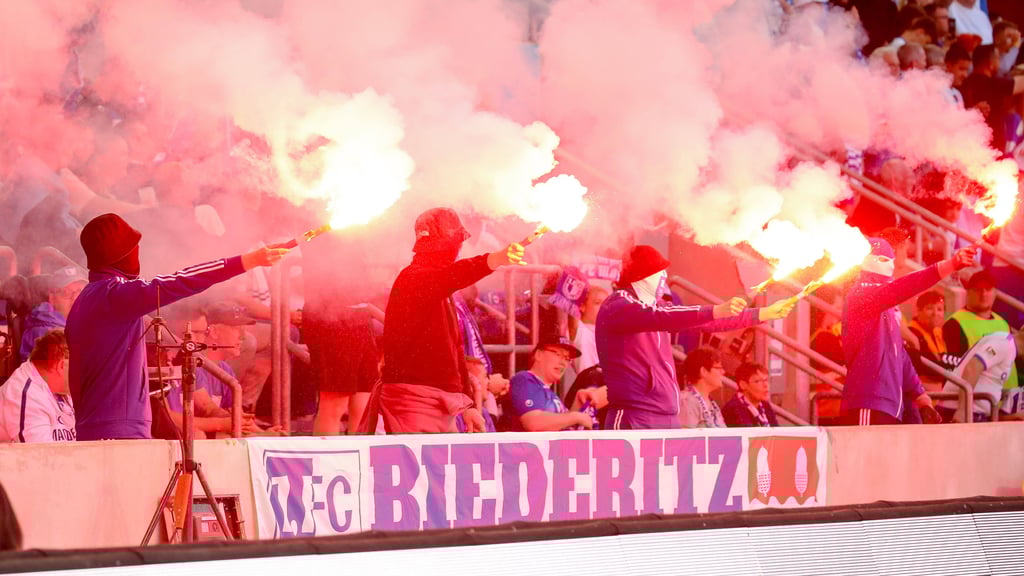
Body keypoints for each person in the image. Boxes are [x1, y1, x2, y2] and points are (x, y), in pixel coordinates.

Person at [66, 213, 288, 441]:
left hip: (94, 427)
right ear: (119, 254)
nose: (138, 254)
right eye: (134, 247)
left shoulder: (84, 301)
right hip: (119, 433)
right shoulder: (114, 295)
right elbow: (181, 281)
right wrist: (247, 261)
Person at [363, 207, 525, 434]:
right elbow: (453, 275)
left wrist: (467, 404)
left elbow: (455, 349)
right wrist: (494, 259)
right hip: (412, 401)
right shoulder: (413, 279)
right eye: (455, 241)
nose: (457, 249)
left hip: (443, 404)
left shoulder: (439, 288)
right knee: (417, 468)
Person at [596, 245, 794, 430]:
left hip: (667, 416)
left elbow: (708, 322)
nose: (664, 276)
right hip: (634, 416)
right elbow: (661, 317)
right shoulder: (617, 306)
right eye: (659, 271)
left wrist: (763, 314)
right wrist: (716, 310)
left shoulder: (657, 308)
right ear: (642, 275)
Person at [840, 238, 976, 425]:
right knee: (868, 456)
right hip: (868, 402)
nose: (891, 263)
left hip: (891, 404)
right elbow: (904, 287)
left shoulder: (885, 302)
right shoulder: (861, 294)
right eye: (885, 258)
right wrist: (949, 265)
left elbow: (899, 353)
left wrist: (920, 396)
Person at [943, 269, 1017, 389]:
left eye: (988, 289)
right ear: (968, 293)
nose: (983, 294)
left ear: (995, 293)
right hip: (978, 402)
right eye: (978, 290)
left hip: (1008, 402)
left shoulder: (1003, 322)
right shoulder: (954, 324)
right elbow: (952, 367)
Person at [0, 329, 76, 442]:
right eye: (80, 366)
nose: (83, 375)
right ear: (60, 365)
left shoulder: (59, 388)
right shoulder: (26, 396)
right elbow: (39, 457)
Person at [508, 337, 597, 431]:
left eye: (567, 358)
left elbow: (561, 426)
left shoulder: (550, 392)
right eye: (557, 354)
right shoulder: (524, 379)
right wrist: (575, 416)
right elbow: (533, 423)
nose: (563, 363)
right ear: (538, 355)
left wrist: (577, 404)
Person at [936, 329, 1024, 422]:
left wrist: (1006, 393)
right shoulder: (1005, 344)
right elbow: (972, 368)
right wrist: (962, 411)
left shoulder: (1009, 347)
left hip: (973, 414)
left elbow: (986, 381)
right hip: (959, 412)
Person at [18, 266, 87, 363]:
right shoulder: (45, 332)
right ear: (52, 298)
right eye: (65, 292)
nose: (75, 297)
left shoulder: (83, 323)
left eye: (80, 291)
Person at [906, 290, 950, 390]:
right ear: (918, 310)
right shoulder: (911, 335)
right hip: (922, 397)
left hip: (939, 396)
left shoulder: (940, 334)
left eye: (939, 309)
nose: (935, 313)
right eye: (929, 308)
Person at [679, 347, 727, 429]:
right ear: (703, 371)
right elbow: (687, 440)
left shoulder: (711, 403)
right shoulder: (686, 402)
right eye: (718, 368)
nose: (723, 372)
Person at [721, 361, 779, 428]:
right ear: (743, 385)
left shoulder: (765, 405)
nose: (766, 385)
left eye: (766, 380)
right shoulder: (733, 410)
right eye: (757, 381)